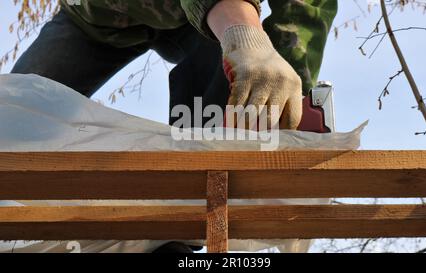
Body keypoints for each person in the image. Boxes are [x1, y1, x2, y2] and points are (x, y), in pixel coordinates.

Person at [10, 0, 337, 252]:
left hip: (199, 21)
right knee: (13, 117)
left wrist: (285, 76)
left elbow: (308, 8)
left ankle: (178, 232)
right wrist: (243, 29)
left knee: (234, 82)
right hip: (98, 20)